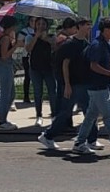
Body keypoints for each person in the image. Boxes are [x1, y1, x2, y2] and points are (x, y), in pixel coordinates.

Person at [71, 18, 110, 156]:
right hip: (97, 85)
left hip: (100, 85)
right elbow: (94, 65)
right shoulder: (97, 45)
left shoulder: (105, 44)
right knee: (108, 115)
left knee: (91, 116)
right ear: (105, 30)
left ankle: (79, 143)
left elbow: (106, 61)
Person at [38, 18, 97, 151]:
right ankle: (48, 136)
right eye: (87, 25)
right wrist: (67, 84)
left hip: (82, 83)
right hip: (73, 84)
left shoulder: (85, 43)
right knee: (66, 112)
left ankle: (92, 139)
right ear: (79, 27)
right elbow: (65, 64)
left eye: (90, 25)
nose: (89, 27)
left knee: (89, 111)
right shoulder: (71, 44)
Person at [25, 17, 58, 127]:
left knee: (52, 92)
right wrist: (36, 37)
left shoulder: (52, 36)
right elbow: (28, 49)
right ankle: (39, 115)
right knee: (37, 92)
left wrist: (46, 39)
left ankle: (54, 114)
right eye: (38, 24)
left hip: (49, 68)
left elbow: (56, 47)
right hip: (35, 68)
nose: (41, 26)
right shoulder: (30, 36)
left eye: (43, 24)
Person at [0, 15, 20, 130]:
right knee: (5, 95)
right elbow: (4, 56)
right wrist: (15, 47)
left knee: (11, 94)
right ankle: (1, 121)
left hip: (4, 66)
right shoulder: (4, 38)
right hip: (4, 66)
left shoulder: (6, 37)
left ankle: (3, 119)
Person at [19, 17, 35, 104]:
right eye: (32, 20)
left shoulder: (39, 31)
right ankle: (26, 96)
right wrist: (28, 43)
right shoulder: (24, 31)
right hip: (26, 56)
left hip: (37, 56)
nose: (34, 22)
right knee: (28, 76)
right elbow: (19, 42)